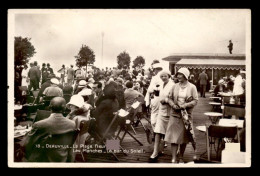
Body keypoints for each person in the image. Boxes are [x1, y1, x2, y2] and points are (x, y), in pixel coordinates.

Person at [21, 97, 76, 162]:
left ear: (49, 107)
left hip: (42, 159)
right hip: (62, 158)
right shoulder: (72, 124)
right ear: (64, 108)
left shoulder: (40, 125)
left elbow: (25, 144)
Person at [162, 67, 198, 163]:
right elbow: (169, 98)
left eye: (180, 74)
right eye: (177, 74)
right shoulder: (174, 86)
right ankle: (173, 157)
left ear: (186, 76)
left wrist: (185, 105)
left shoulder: (192, 87)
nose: (178, 76)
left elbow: (195, 100)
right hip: (174, 114)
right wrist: (173, 105)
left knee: (183, 137)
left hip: (186, 116)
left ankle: (181, 157)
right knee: (174, 137)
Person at [149, 70, 174, 162]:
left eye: (165, 76)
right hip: (161, 111)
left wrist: (166, 100)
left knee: (171, 133)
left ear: (169, 76)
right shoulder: (161, 84)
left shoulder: (172, 85)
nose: (163, 78)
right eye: (162, 76)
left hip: (169, 112)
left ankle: (175, 152)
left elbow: (174, 98)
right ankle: (155, 152)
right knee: (158, 131)